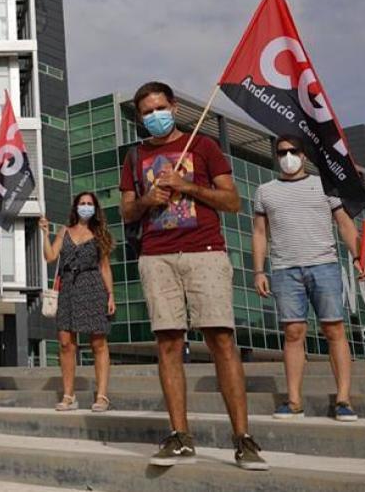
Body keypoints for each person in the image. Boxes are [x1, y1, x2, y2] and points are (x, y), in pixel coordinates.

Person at [119, 82, 268, 471]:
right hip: (156, 256)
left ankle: (243, 438)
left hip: (205, 251)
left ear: (174, 106)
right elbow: (126, 211)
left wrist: (185, 185)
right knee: (168, 343)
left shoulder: (203, 146)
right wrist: (148, 200)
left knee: (220, 340)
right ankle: (180, 436)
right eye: (146, 112)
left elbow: (232, 201)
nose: (154, 116)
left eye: (159, 108)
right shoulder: (134, 157)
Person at [252, 134, 365, 421]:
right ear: (276, 156)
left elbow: (344, 224)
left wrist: (359, 257)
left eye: (293, 151)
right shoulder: (264, 191)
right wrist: (259, 271)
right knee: (293, 334)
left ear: (304, 155)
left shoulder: (325, 185)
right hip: (285, 270)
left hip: (324, 266)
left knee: (334, 331)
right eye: (282, 152)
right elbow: (259, 233)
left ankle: (343, 399)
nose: (288, 157)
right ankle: (293, 401)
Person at [40, 192, 115, 412]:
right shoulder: (64, 231)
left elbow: (105, 267)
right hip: (68, 289)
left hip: (93, 287)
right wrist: (45, 234)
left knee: (98, 343)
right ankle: (68, 396)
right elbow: (50, 256)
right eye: (82, 203)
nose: (85, 207)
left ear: (95, 208)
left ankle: (101, 396)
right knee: (65, 343)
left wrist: (111, 294)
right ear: (75, 207)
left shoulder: (100, 234)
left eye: (89, 204)